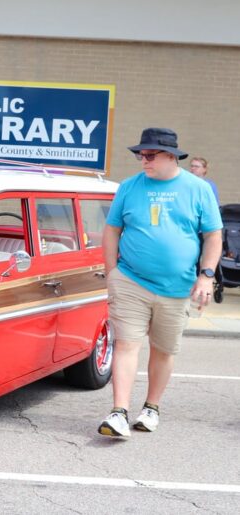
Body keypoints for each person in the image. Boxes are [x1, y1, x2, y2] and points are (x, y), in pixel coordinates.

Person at [98, 128, 222, 438]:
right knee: (126, 344)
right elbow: (112, 230)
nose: (143, 160)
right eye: (140, 155)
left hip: (177, 287)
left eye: (150, 155)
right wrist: (112, 273)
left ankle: (151, 408)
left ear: (171, 156)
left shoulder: (198, 189)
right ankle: (119, 413)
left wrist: (206, 276)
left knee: (164, 350)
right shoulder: (129, 187)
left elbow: (213, 236)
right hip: (130, 280)